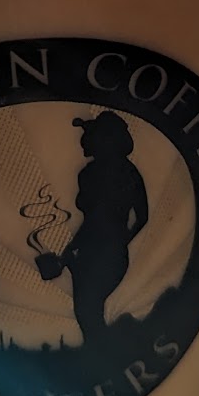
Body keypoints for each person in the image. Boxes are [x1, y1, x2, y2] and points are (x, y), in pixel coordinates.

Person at [61, 111, 149, 343]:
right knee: (87, 311)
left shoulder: (93, 174)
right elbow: (141, 217)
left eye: (92, 135)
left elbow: (96, 220)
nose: (85, 141)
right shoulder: (126, 173)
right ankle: (100, 354)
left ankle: (101, 352)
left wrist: (114, 243)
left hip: (99, 252)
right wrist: (120, 241)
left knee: (87, 310)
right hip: (102, 251)